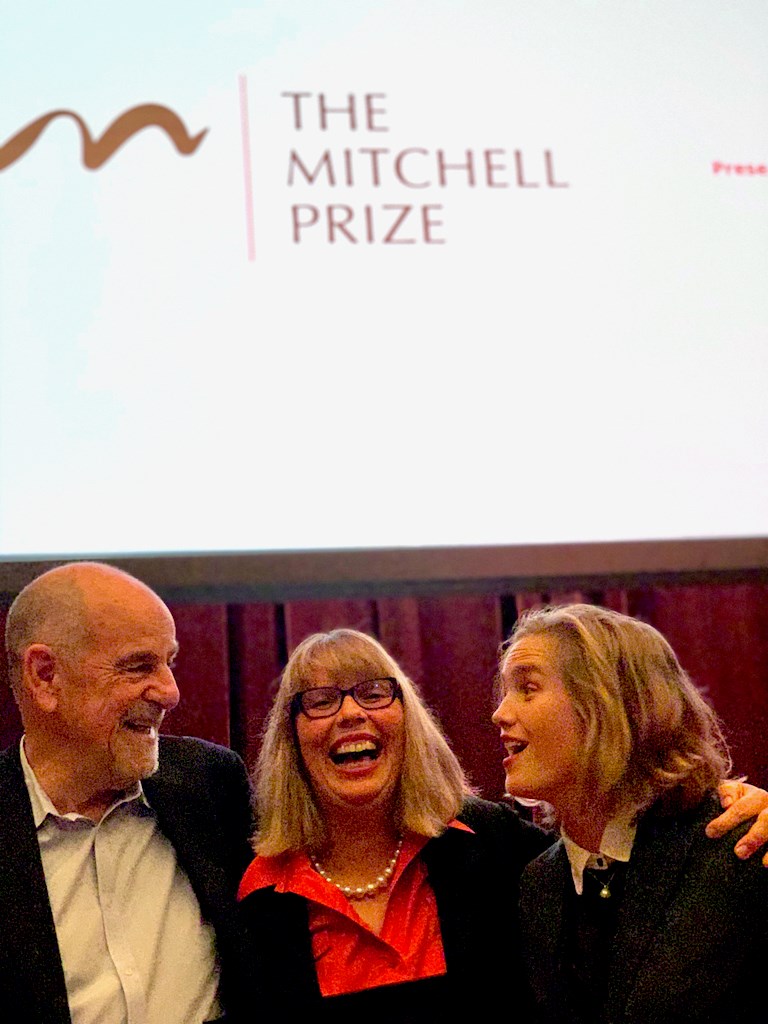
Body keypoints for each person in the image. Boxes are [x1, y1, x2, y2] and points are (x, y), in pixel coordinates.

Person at [237, 627, 768, 1021]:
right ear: (291, 738)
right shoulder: (252, 895)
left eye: (375, 693)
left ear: (607, 707)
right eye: (320, 702)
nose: (497, 715)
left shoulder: (490, 847)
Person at [1, 562, 254, 1024]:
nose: (170, 692)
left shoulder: (210, 784)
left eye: (169, 663)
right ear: (44, 676)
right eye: (138, 666)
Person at [493, 603, 768, 1023]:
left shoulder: (740, 845)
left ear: (608, 703)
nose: (500, 714)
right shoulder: (538, 884)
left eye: (527, 689)